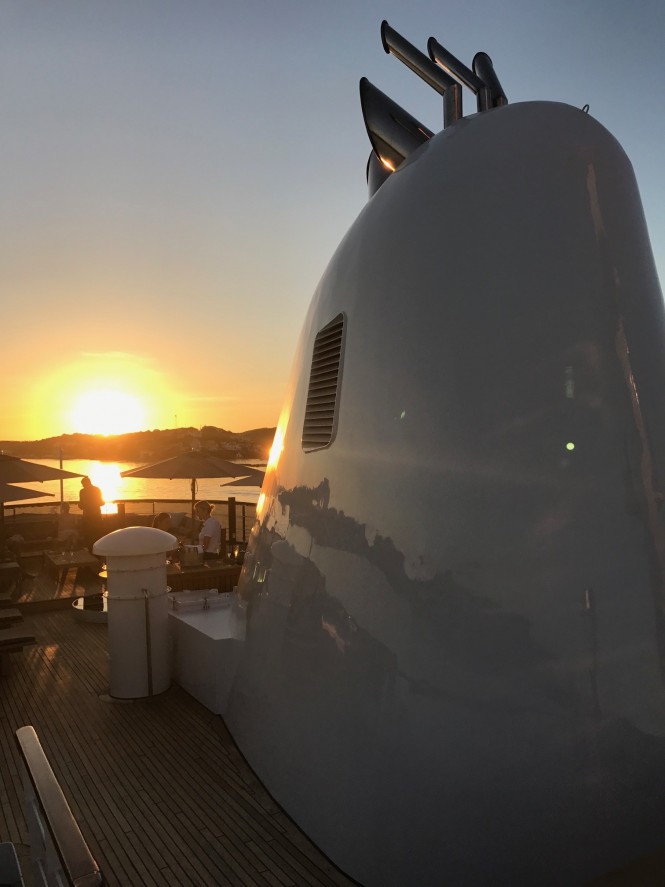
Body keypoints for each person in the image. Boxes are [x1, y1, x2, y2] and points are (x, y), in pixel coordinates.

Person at [78, 476, 104, 552]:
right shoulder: (97, 489)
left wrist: (82, 505)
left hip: (87, 516)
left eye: (83, 484)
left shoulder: (82, 491)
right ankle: (98, 551)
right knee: (97, 534)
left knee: (88, 535)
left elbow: (81, 505)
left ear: (85, 483)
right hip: (96, 516)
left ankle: (90, 551)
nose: (82, 486)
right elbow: (102, 502)